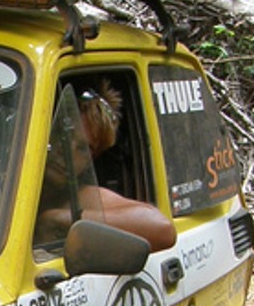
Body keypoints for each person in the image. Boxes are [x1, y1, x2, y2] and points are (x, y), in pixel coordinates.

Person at [34, 84, 177, 252]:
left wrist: (60, 219)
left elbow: (162, 229)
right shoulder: (4, 181)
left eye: (83, 148)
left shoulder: (78, 196)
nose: (66, 152)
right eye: (63, 135)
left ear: (90, 160)